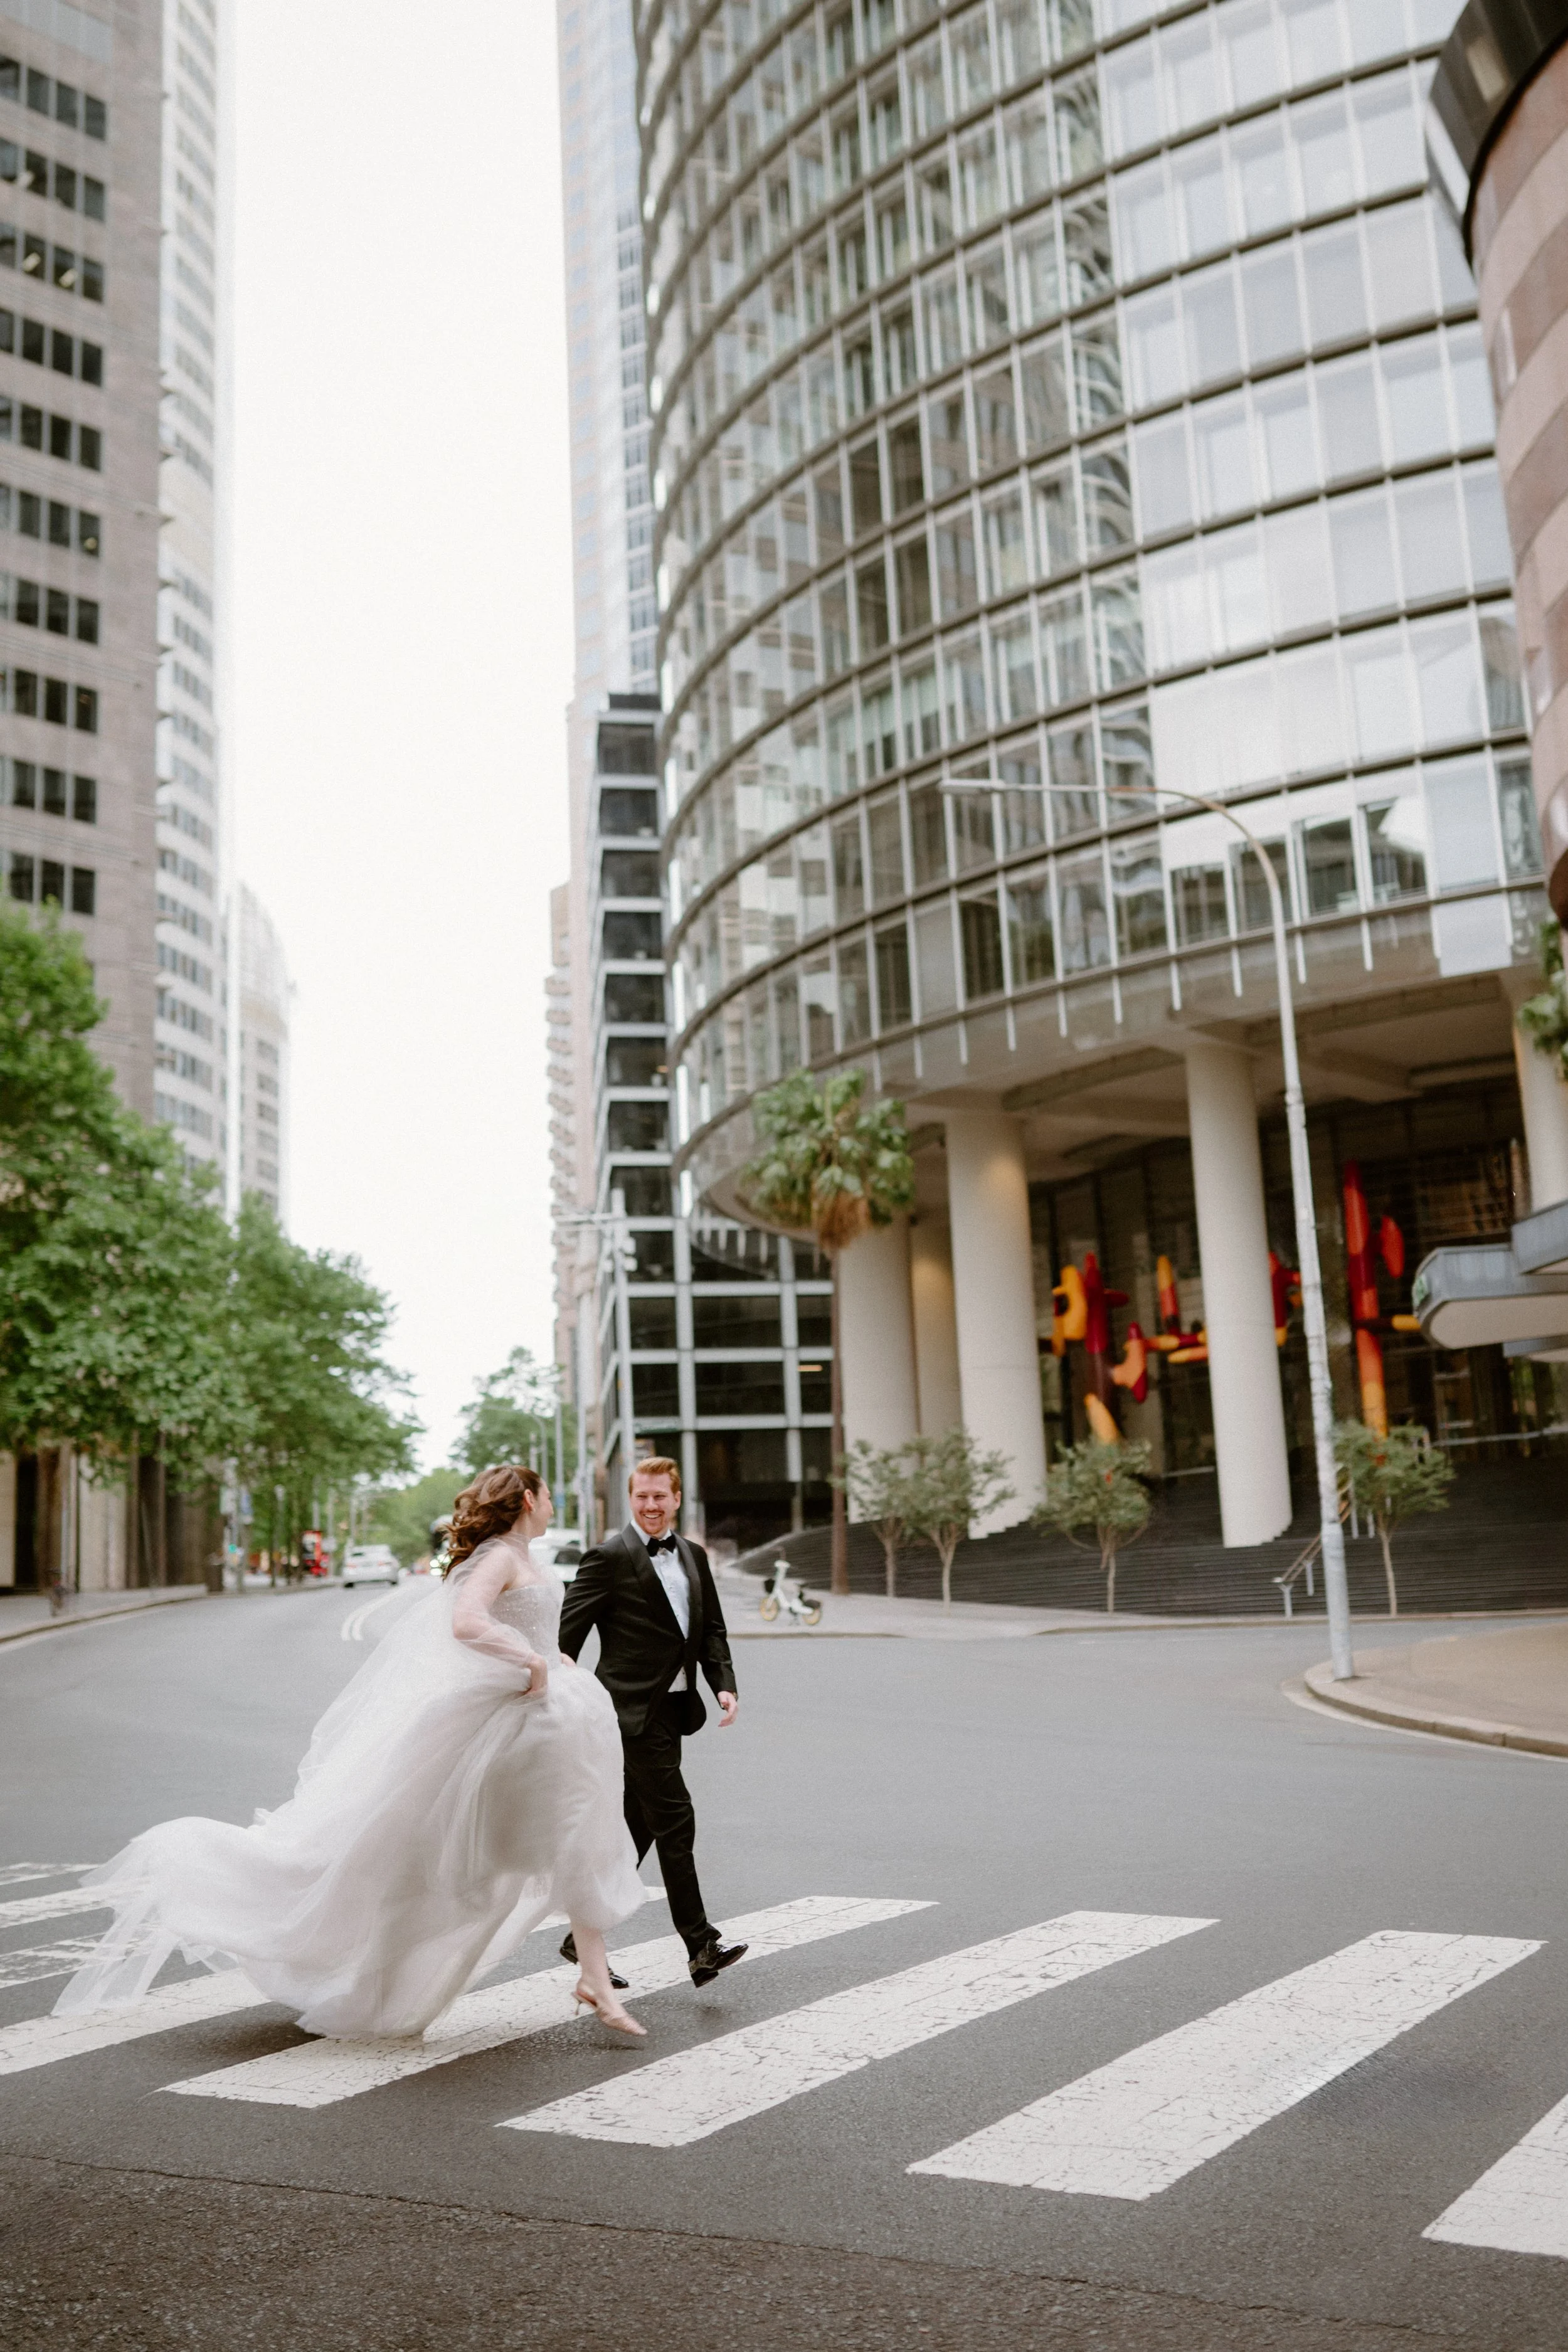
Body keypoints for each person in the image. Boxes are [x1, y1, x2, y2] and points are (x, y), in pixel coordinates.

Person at [54, 1465, 649, 2040]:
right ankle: (350, 1949)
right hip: (515, 1719)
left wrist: (553, 1655)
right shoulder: (497, 1557)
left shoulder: (525, 1557)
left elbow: (530, 1623)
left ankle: (594, 1976)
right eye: (546, 1498)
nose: (551, 1507)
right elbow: (467, 1624)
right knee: (424, 1852)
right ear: (527, 1500)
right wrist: (531, 1658)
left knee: (577, 1839)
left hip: (551, 1716)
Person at [559, 1456, 746, 1989]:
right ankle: (700, 1945)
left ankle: (581, 1935)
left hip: (673, 1710)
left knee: (634, 1828)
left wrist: (724, 1684)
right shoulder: (608, 1557)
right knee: (676, 1819)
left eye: (660, 1497)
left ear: (677, 1498)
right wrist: (565, 1698)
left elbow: (711, 1628)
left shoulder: (692, 1555)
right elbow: (566, 1640)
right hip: (629, 1714)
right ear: (631, 1498)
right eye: (641, 1496)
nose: (650, 1505)